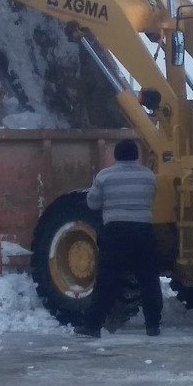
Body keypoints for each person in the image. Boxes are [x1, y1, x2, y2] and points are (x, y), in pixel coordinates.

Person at [75, 138, 163, 338]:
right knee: (149, 279)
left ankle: (92, 325)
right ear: (136, 156)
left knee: (107, 279)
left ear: (116, 155)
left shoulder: (105, 176)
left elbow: (92, 203)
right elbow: (152, 196)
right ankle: (153, 325)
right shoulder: (149, 176)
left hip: (115, 232)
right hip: (144, 231)